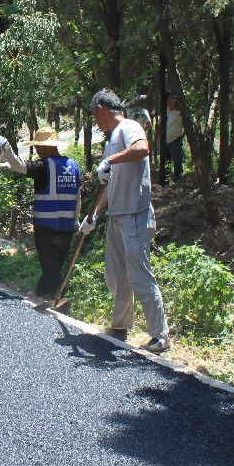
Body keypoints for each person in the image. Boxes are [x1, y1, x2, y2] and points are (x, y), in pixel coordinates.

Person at [79, 89, 171, 353]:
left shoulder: (129, 127)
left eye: (94, 117)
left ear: (101, 110)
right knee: (116, 276)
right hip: (116, 216)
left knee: (139, 275)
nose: (95, 123)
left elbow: (142, 148)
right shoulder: (111, 141)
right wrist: (94, 214)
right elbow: (110, 185)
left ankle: (160, 336)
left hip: (134, 215)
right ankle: (119, 326)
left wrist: (109, 159)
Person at [0, 128, 81, 304]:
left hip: (46, 226)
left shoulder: (43, 166)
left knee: (50, 266)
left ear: (45, 148)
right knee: (55, 265)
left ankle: (57, 298)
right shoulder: (73, 166)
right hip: (67, 227)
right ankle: (40, 292)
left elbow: (18, 166)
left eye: (38, 146)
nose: (36, 150)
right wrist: (76, 220)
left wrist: (6, 146)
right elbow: (78, 195)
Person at [165, 91, 185, 182]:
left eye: (171, 99)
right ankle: (166, 181)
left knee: (177, 163)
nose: (169, 101)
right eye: (168, 99)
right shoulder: (165, 111)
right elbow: (161, 125)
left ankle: (178, 181)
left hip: (176, 141)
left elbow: (187, 126)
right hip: (165, 141)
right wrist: (155, 138)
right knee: (166, 163)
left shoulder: (180, 113)